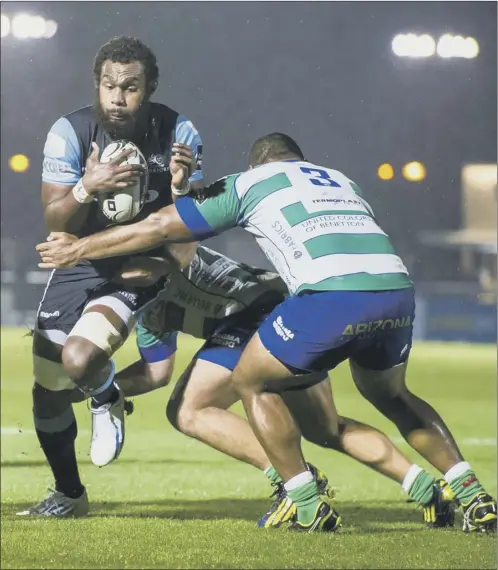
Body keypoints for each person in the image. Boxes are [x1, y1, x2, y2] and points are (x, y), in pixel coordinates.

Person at [36, 133, 497, 534]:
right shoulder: (340, 178)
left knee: (229, 390)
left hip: (305, 303)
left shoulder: (248, 183)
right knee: (348, 417)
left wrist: (80, 248)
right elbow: (156, 369)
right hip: (393, 290)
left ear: (258, 164)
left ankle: (302, 498)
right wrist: (98, 389)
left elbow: (167, 231)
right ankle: (453, 492)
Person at [112, 244, 456, 530]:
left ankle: (294, 484)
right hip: (297, 318)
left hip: (262, 314)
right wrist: (101, 388)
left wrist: (84, 257)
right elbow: (154, 373)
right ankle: (426, 489)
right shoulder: (148, 313)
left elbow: (160, 254)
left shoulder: (151, 258)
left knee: (189, 410)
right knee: (326, 429)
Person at [20, 36, 203, 518]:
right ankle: (70, 494)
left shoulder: (177, 131)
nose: (117, 98)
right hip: (77, 263)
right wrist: (88, 186)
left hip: (137, 267)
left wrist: (184, 189)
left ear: (150, 88)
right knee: (48, 391)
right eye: (109, 86)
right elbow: (56, 223)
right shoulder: (69, 132)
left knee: (80, 359)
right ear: (96, 85)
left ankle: (106, 398)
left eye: (130, 87)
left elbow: (191, 230)